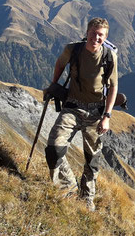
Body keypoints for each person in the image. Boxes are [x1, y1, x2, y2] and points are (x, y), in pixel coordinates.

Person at [44, 17, 118, 211]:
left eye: (100, 35)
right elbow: (60, 64)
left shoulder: (109, 57)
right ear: (87, 32)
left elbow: (113, 87)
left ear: (105, 37)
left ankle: (86, 199)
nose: (96, 37)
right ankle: (68, 188)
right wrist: (54, 84)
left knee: (92, 160)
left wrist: (107, 117)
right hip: (73, 107)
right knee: (53, 149)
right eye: (93, 33)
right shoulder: (72, 50)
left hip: (96, 111)